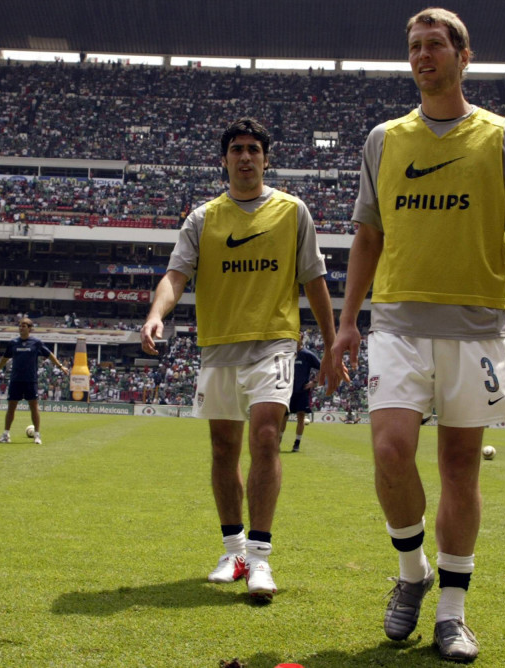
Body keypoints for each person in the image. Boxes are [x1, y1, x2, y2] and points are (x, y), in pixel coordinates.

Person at [328, 8, 505, 662]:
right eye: (414, 47)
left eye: (435, 45)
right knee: (391, 450)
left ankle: (452, 614)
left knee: (460, 468)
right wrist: (346, 322)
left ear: (463, 56)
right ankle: (412, 573)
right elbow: (367, 235)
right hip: (397, 320)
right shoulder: (383, 140)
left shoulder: (503, 137)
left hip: (476, 325)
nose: (423, 55)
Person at [140, 118, 345, 602]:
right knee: (222, 448)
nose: (246, 156)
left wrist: (332, 344)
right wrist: (156, 314)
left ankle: (260, 558)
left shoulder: (293, 212)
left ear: (266, 159)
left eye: (254, 149)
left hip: (274, 342)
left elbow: (314, 282)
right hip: (218, 346)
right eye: (237, 149)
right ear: (225, 159)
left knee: (268, 438)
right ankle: (232, 550)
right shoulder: (202, 218)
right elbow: (175, 276)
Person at [0, 317, 68, 444]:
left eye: (24, 326)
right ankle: (6, 434)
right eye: (20, 326)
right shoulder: (13, 343)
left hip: (30, 380)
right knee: (11, 407)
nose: (21, 328)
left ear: (30, 329)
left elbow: (49, 354)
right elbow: (5, 358)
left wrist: (60, 366)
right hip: (15, 380)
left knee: (34, 407)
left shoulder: (36, 343)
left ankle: (37, 435)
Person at [285, 341, 321, 452]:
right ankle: (278, 441)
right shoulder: (287, 352)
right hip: (287, 390)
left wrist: (314, 382)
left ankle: (297, 443)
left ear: (301, 339)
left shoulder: (307, 354)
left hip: (302, 391)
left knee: (300, 417)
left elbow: (322, 367)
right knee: (283, 417)